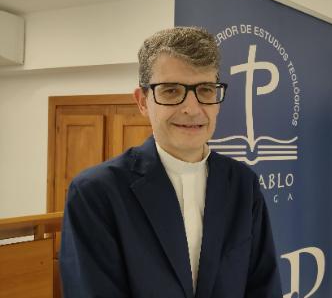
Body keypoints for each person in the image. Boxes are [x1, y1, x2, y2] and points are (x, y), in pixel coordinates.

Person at [59, 26, 282, 298]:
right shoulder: (96, 193)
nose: (191, 108)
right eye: (171, 91)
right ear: (142, 101)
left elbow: (264, 287)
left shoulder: (243, 184)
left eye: (206, 90)